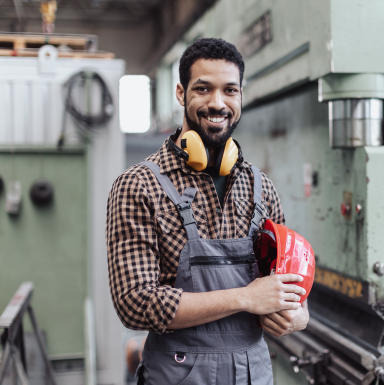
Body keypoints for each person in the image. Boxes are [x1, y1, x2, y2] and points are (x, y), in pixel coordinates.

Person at [106, 37, 309, 385]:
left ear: (241, 96)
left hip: (253, 375)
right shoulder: (139, 185)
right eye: (203, 89)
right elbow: (135, 303)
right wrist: (246, 298)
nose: (218, 103)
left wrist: (297, 315)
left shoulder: (261, 187)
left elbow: (288, 284)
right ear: (181, 93)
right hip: (177, 375)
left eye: (230, 90)